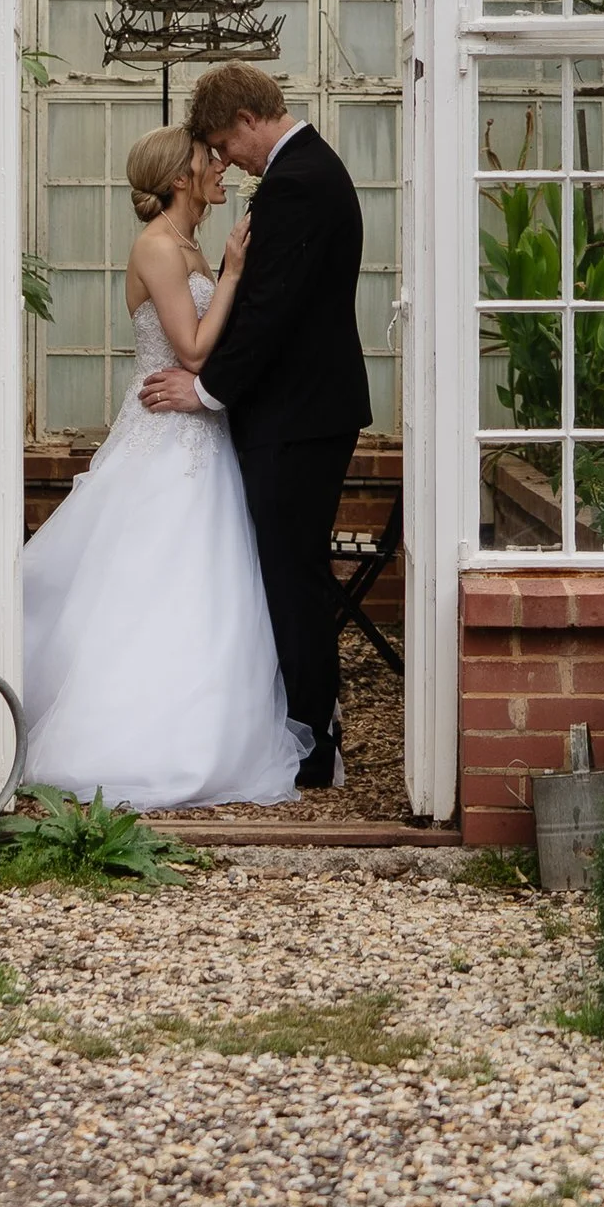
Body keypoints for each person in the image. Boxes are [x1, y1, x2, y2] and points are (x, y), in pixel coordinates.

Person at [15, 123, 307, 810]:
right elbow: (197, 351)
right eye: (210, 160)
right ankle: (131, 739)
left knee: (205, 588)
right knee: (151, 583)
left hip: (202, 439)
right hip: (166, 441)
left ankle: (206, 728)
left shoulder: (188, 246)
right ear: (180, 177)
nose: (221, 168)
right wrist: (236, 275)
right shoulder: (157, 248)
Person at [138, 61, 369, 788]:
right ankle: (301, 727)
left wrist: (206, 391)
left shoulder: (298, 183)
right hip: (297, 414)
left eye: (221, 144)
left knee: (292, 575)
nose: (225, 161)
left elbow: (270, 314)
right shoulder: (303, 173)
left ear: (243, 121)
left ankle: (310, 740)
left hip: (298, 419)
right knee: (284, 573)